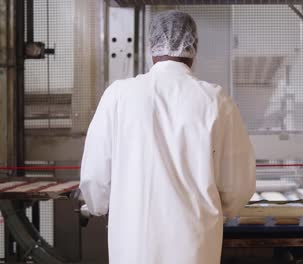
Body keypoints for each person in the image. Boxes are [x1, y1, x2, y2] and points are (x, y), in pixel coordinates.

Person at [80, 10, 256, 264]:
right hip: (195, 245)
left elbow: (95, 176)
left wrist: (98, 205)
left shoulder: (118, 96)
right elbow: (238, 183)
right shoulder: (216, 100)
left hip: (133, 243)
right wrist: (228, 208)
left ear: (151, 47)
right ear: (194, 47)